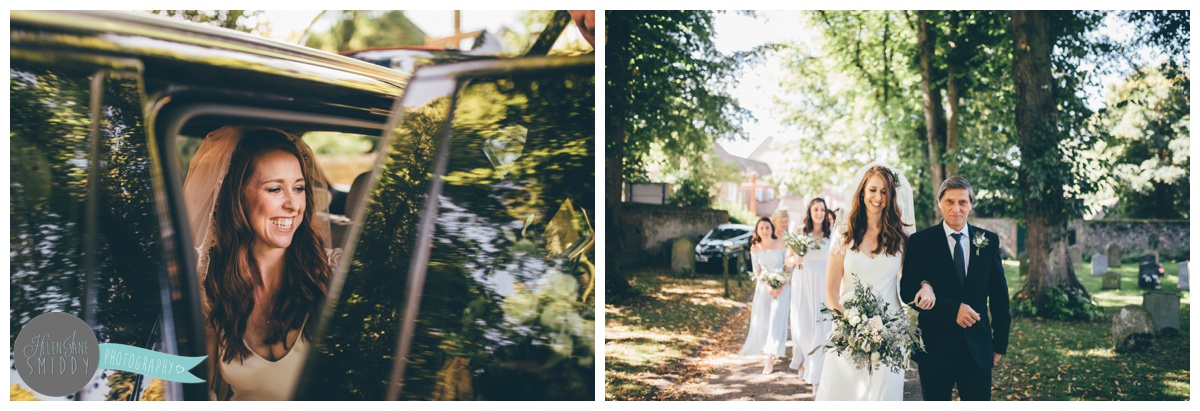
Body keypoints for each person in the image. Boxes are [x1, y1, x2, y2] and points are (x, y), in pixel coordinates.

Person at [184, 127, 334, 400]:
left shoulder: (330, 280)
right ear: (237, 198)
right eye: (275, 189)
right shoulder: (210, 289)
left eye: (299, 188)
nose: (293, 205)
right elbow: (194, 390)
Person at [900, 176, 1011, 401]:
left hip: (977, 348)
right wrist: (952, 309)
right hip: (934, 348)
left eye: (962, 202)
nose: (956, 209)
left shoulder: (988, 240)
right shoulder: (921, 242)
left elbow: (999, 296)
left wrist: (999, 344)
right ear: (940, 203)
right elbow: (907, 291)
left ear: (970, 204)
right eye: (950, 202)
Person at [816, 163, 914, 401]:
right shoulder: (844, 235)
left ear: (891, 196)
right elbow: (830, 289)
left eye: (884, 191)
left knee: (884, 397)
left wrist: (927, 287)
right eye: (872, 190)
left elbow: (912, 280)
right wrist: (850, 326)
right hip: (848, 329)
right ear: (862, 192)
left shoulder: (901, 236)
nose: (878, 197)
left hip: (891, 332)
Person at [739, 217, 796, 374]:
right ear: (757, 230)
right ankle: (768, 349)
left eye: (767, 227)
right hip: (763, 289)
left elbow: (787, 267)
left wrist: (781, 285)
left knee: (776, 320)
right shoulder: (755, 248)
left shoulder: (782, 243)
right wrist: (767, 286)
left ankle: (769, 359)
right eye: (761, 228)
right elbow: (757, 271)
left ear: (772, 228)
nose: (764, 230)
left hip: (782, 289)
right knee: (764, 321)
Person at [787, 198, 833, 391]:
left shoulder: (830, 236)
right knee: (803, 327)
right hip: (802, 283)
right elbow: (787, 261)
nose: (820, 213)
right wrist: (794, 259)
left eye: (822, 209)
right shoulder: (799, 233)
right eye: (816, 209)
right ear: (810, 211)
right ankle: (806, 361)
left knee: (821, 328)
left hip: (823, 284)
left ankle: (817, 375)